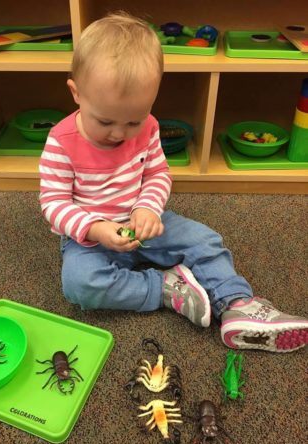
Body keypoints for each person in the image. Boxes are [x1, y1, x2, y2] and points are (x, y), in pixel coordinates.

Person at [39, 12, 307, 352]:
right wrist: (95, 228)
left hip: (146, 224)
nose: (120, 134)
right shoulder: (61, 141)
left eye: (133, 121)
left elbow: (157, 174)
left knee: (206, 240)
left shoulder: (149, 127)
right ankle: (166, 288)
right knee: (79, 284)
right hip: (90, 240)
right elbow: (53, 203)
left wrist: (148, 208)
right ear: (76, 93)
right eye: (105, 120)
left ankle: (237, 305)